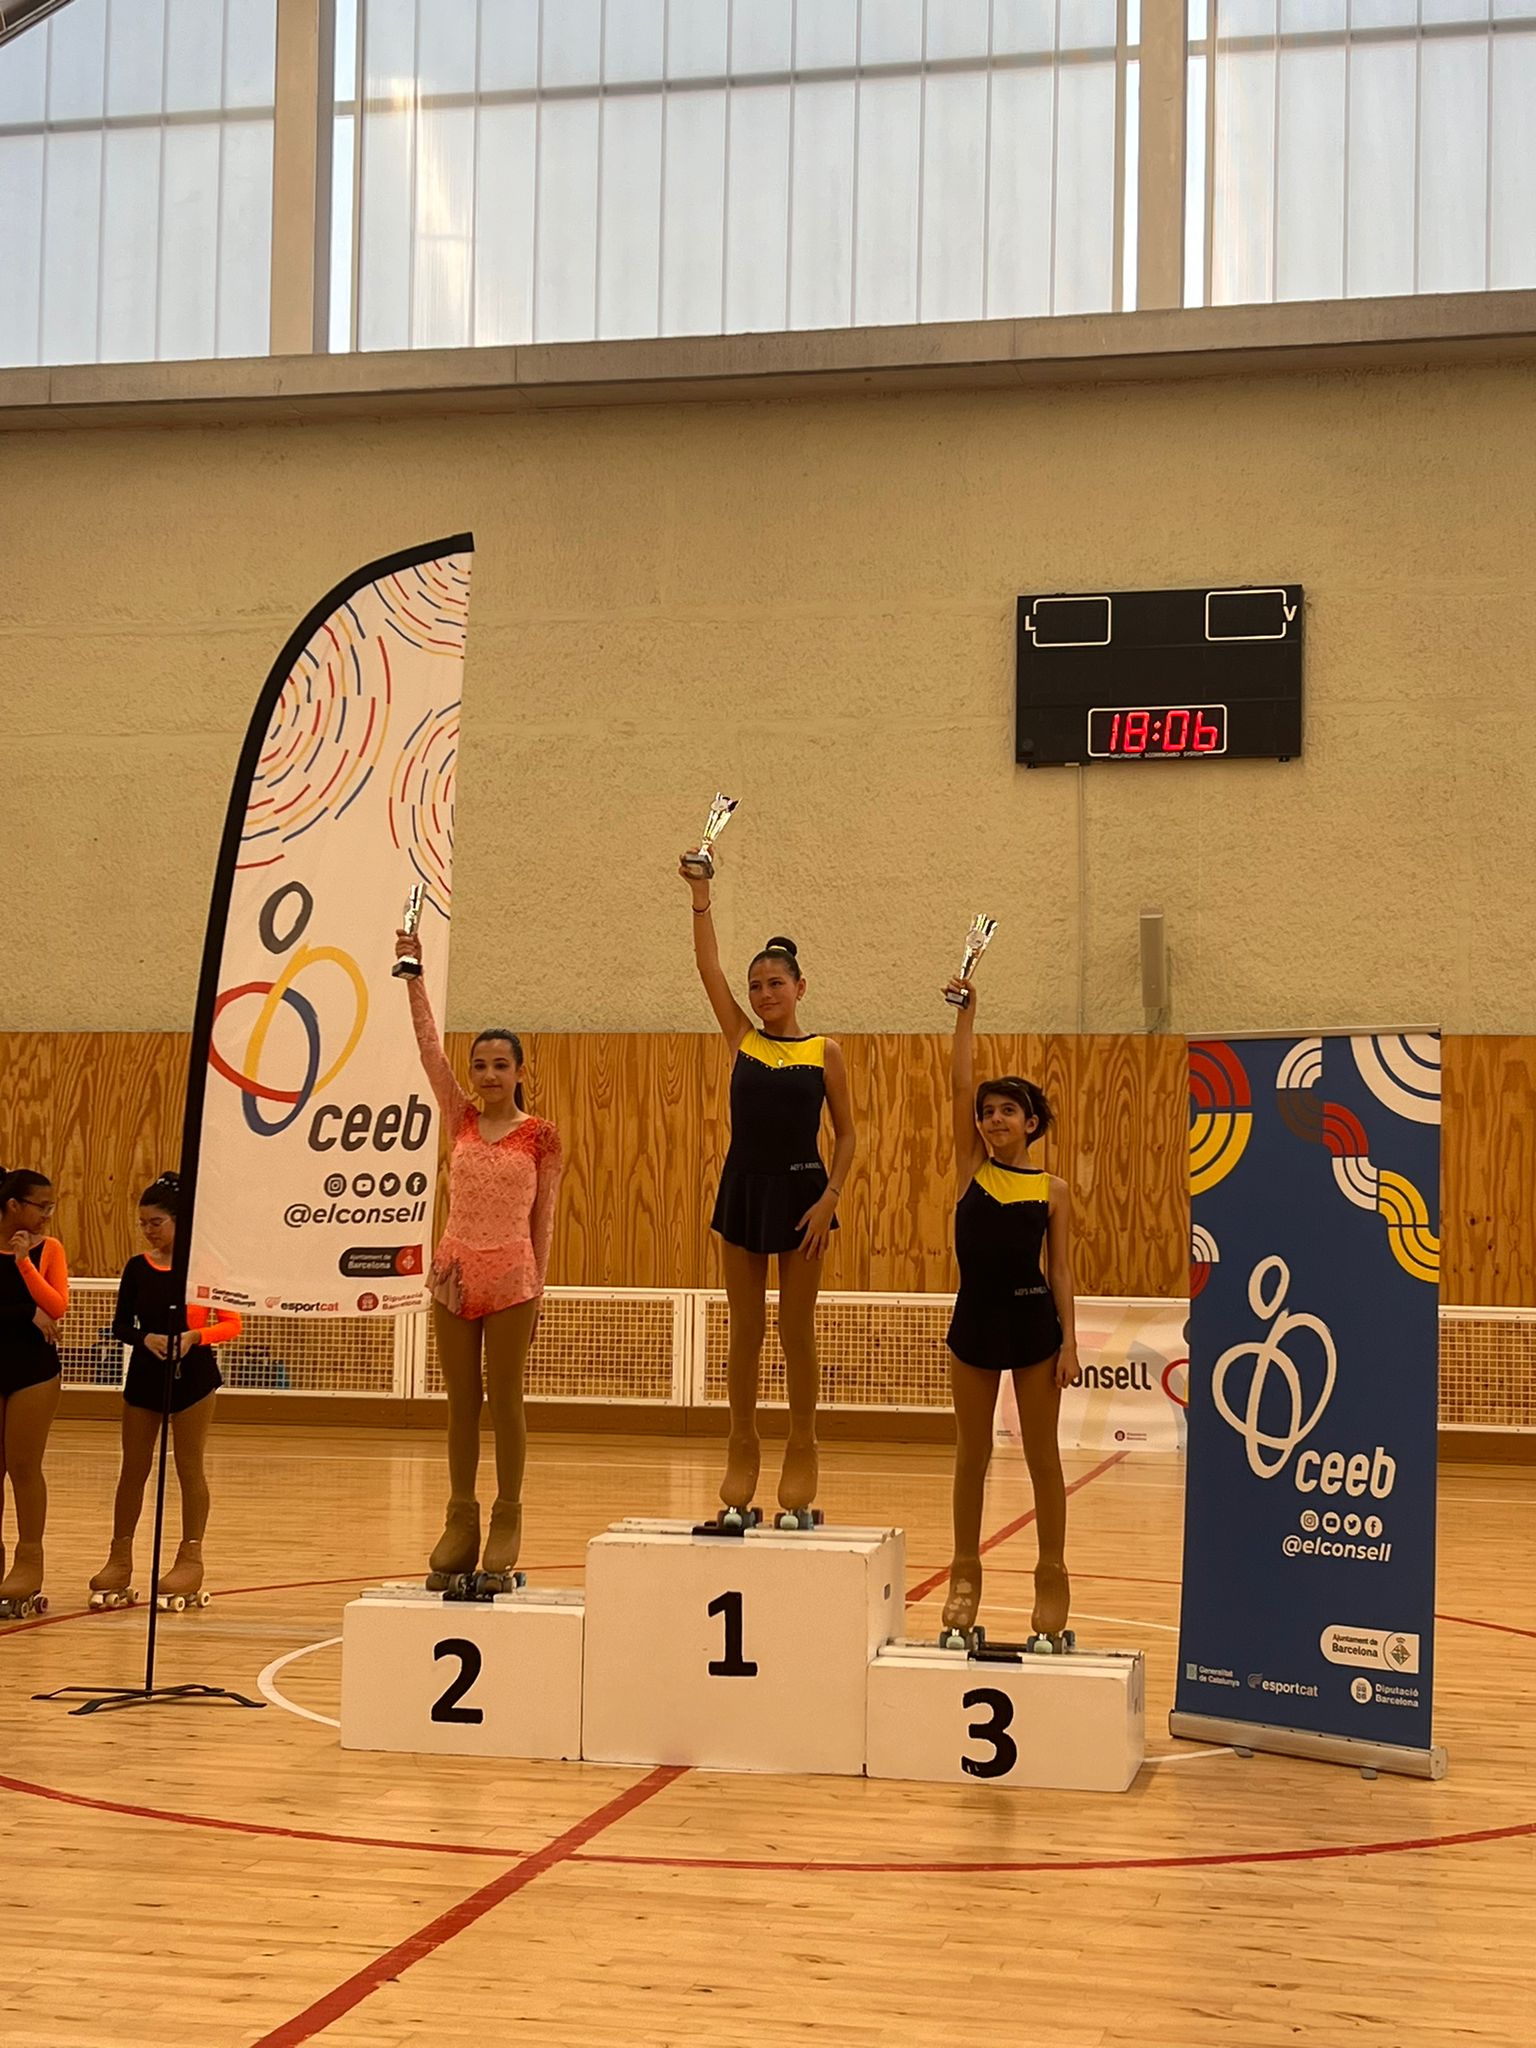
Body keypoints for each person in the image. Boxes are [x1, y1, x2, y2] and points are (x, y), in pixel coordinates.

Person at [680, 855, 856, 1525]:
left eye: (774, 983)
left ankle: (803, 1444)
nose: (762, 994)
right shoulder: (743, 1040)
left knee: (795, 1329)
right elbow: (708, 969)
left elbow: (849, 1135)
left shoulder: (824, 1052)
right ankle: (742, 1444)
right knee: (747, 1329)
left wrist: (830, 1198)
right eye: (755, 986)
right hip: (744, 1191)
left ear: (799, 986)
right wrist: (702, 895)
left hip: (805, 1199)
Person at [396, 927, 563, 1588]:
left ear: (520, 1072)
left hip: (513, 1276)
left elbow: (544, 1220)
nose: (489, 1076)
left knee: (506, 1401)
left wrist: (538, 1288)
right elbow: (427, 1047)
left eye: (501, 1065)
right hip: (454, 1275)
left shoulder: (541, 1136)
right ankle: (460, 1518)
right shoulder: (459, 1118)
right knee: (461, 1404)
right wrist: (412, 975)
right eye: (481, 1066)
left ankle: (507, 1514)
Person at [941, 976, 1081, 1645]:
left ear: (1031, 1123)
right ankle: (964, 1576)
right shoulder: (971, 1168)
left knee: (1042, 1458)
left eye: (1008, 1111)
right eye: (987, 1111)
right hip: (974, 1325)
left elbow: (1061, 1269)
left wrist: (1070, 1342)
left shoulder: (1053, 1189)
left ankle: (1051, 1577)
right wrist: (967, 1017)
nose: (994, 1119)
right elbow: (958, 1084)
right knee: (971, 1456)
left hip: (1033, 1329)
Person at [89, 1173, 243, 1612]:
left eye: (156, 1222)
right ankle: (119, 1559)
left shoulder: (205, 1267)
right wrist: (145, 1338)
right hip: (144, 1375)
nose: (148, 1230)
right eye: (143, 1223)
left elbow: (232, 1324)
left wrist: (195, 1336)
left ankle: (190, 1559)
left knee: (189, 1467)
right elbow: (121, 1325)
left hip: (194, 1376)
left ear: (179, 1221)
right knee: (133, 1469)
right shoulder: (137, 1268)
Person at [0, 1167, 68, 1619]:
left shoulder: (49, 1249)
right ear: (13, 1205)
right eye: (41, 1206)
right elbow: (36, 1311)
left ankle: (29, 1560)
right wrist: (26, 1313)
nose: (47, 1214)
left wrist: (24, 1262)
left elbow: (57, 1305)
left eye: (50, 1206)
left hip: (32, 1372)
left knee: (24, 1467)